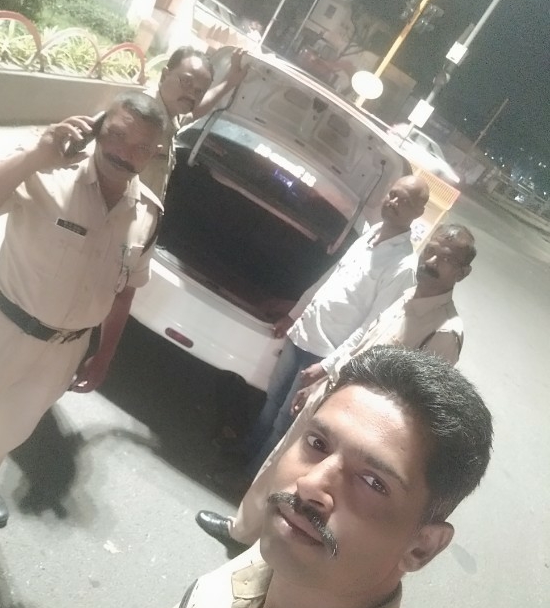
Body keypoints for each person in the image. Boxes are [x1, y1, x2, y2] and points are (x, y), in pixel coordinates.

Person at [18, 346, 493, 608]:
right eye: (317, 443)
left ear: (421, 548)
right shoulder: (282, 553)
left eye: (372, 482)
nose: (311, 485)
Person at [0, 91, 167, 528]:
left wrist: (102, 355)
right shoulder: (48, 170)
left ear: (153, 153)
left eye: (140, 147)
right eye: (117, 135)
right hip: (1, 326)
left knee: (11, 429)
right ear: (97, 127)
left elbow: (125, 290)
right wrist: (34, 155)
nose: (125, 153)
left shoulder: (148, 213)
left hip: (64, 351)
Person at [197, 223, 477, 550]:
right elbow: (361, 342)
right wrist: (323, 377)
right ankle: (242, 531)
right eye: (431, 250)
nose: (431, 260)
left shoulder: (444, 332)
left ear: (462, 272)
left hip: (358, 430)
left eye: (446, 259)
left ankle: (274, 550)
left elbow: (417, 408)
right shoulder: (407, 296)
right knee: (283, 461)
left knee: (317, 493)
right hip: (332, 397)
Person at [225, 174, 430, 475]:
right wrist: (294, 314)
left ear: (419, 211)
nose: (394, 202)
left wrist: (328, 366)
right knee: (271, 401)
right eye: (393, 194)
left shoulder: (403, 266)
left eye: (405, 200)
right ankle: (245, 452)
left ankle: (252, 476)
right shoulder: (370, 234)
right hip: (303, 333)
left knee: (287, 420)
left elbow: (372, 327)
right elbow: (329, 279)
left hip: (325, 352)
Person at [142, 45, 248, 200]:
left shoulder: (170, 115)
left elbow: (194, 112)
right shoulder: (141, 115)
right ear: (164, 75)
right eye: (186, 82)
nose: (192, 95)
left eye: (199, 91)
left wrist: (230, 81)